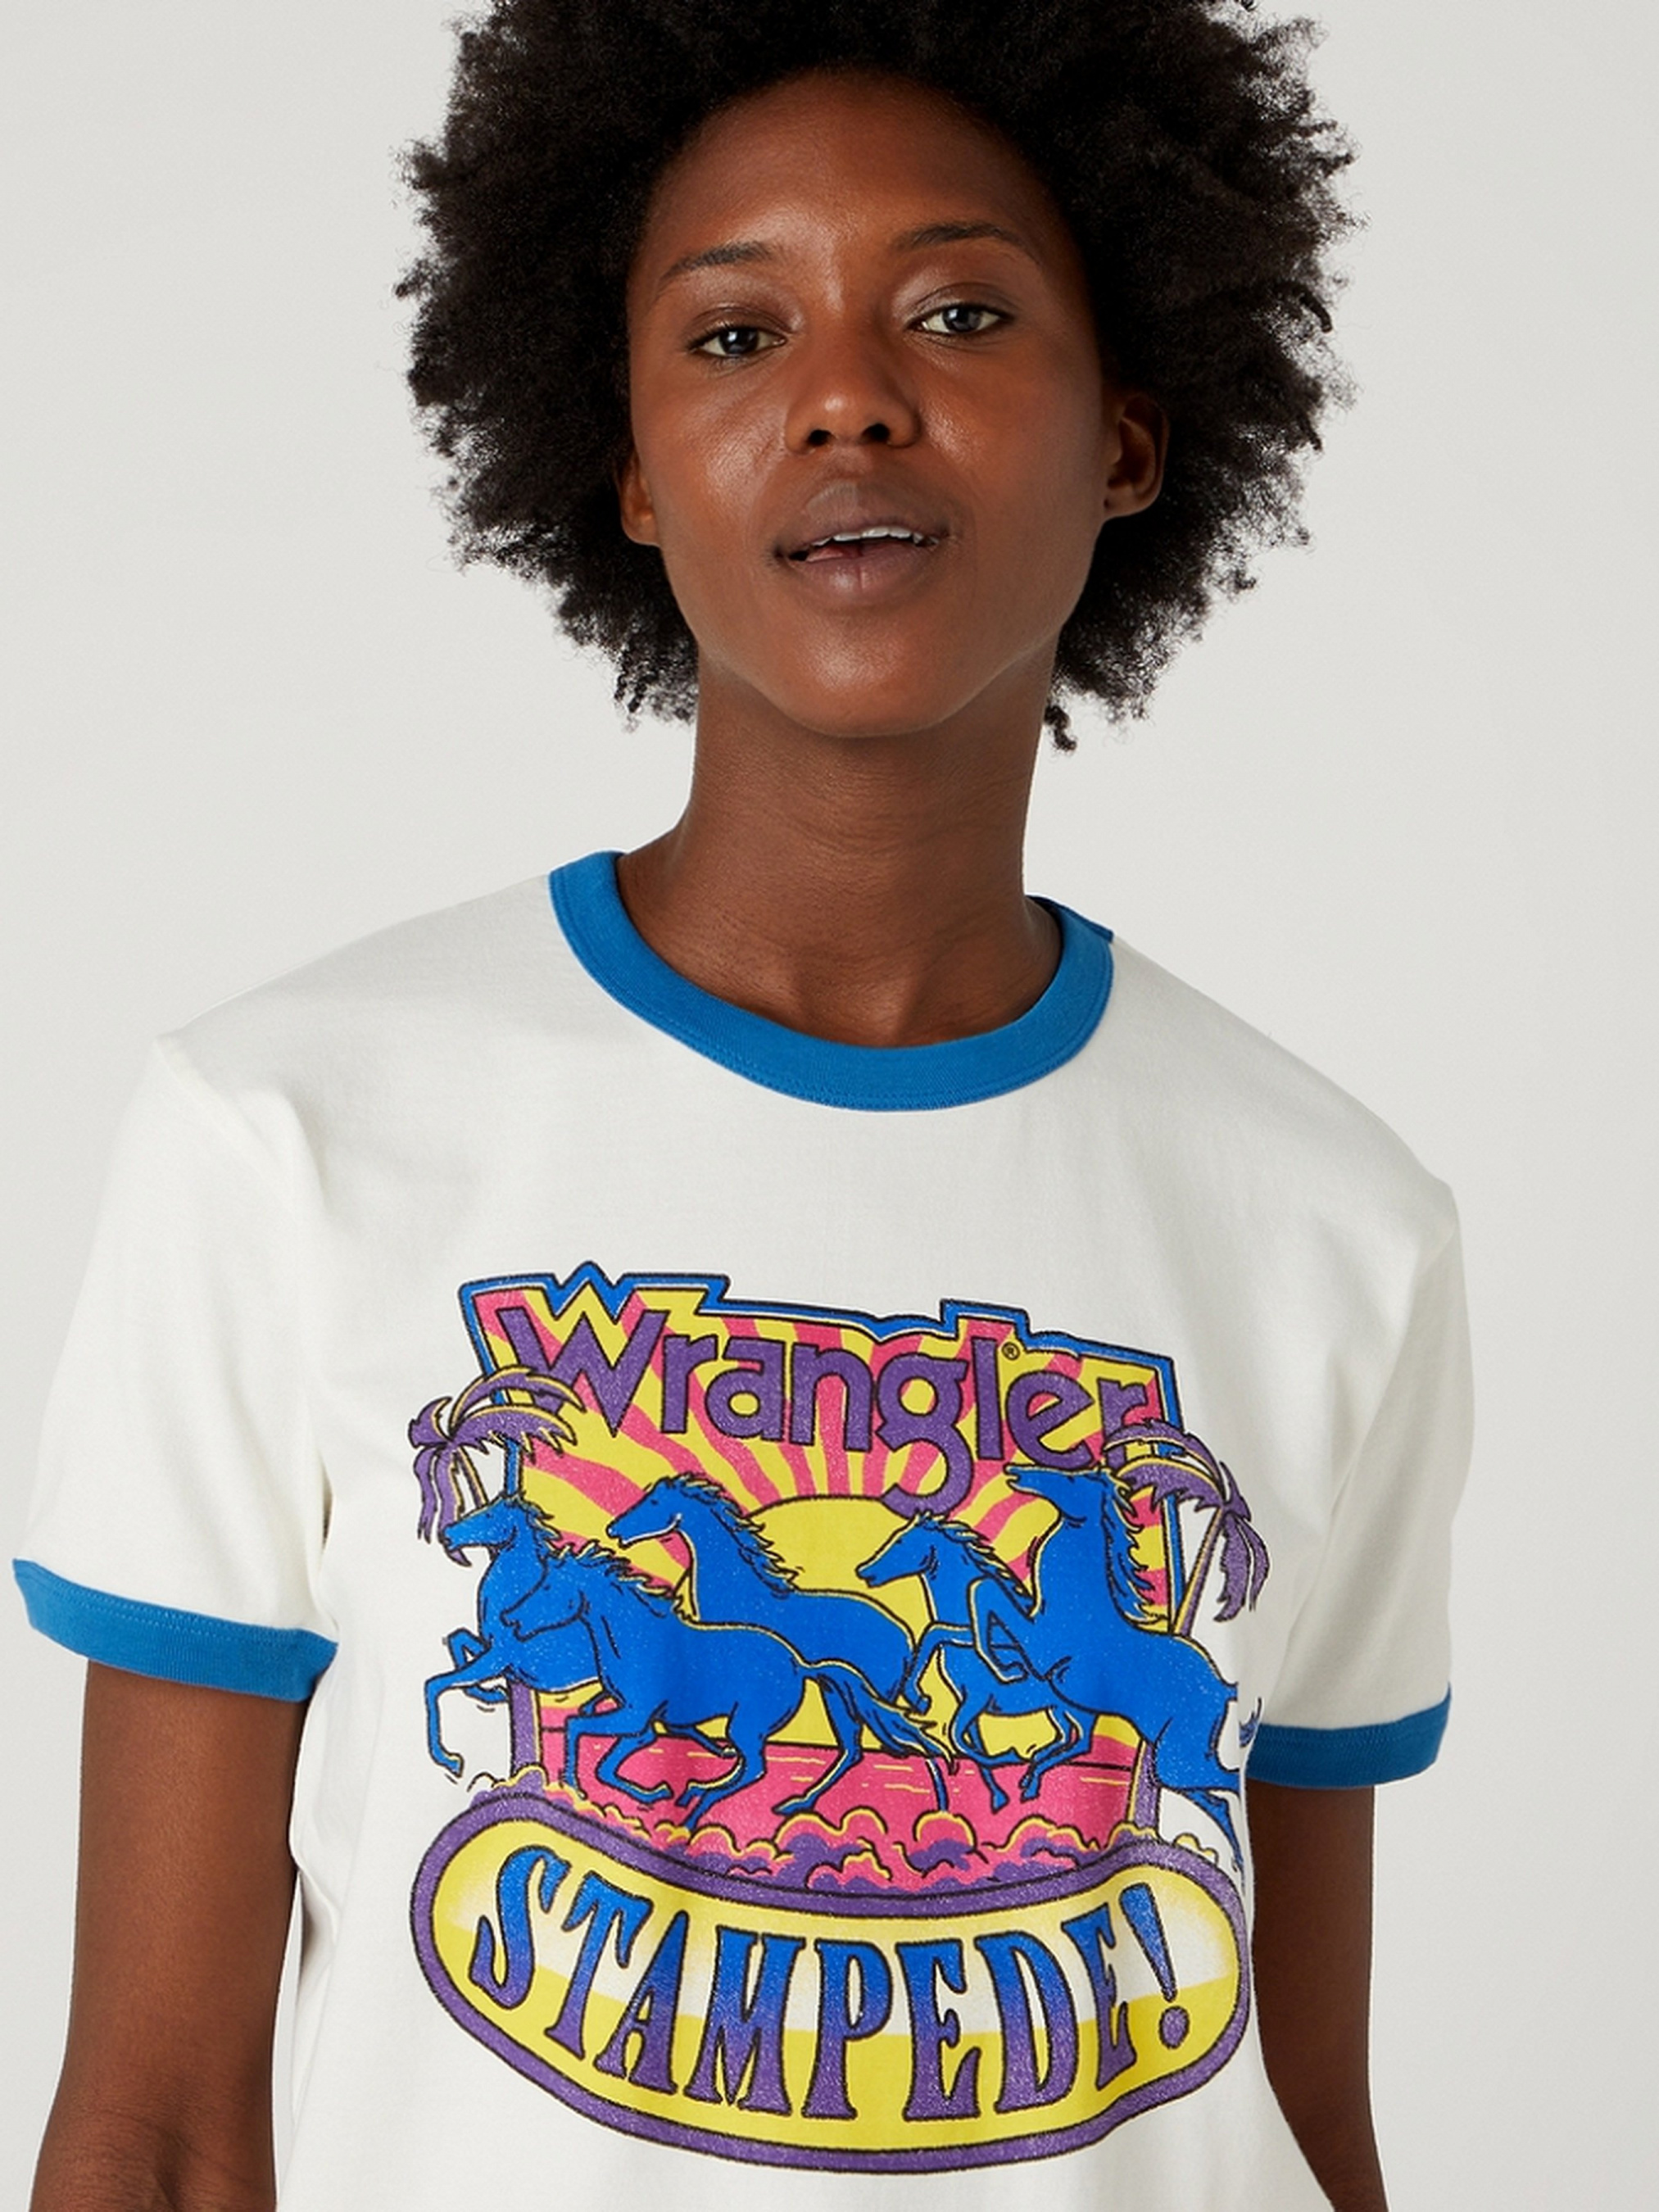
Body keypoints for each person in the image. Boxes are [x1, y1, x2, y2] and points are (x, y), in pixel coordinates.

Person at [13, 4, 1470, 2209]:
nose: (847, 394)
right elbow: (153, 2126)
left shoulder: (1338, 1222)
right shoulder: (283, 1135)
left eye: (958, 312)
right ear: (626, 468)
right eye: (732, 333)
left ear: (1128, 437)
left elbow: (1300, 2109)